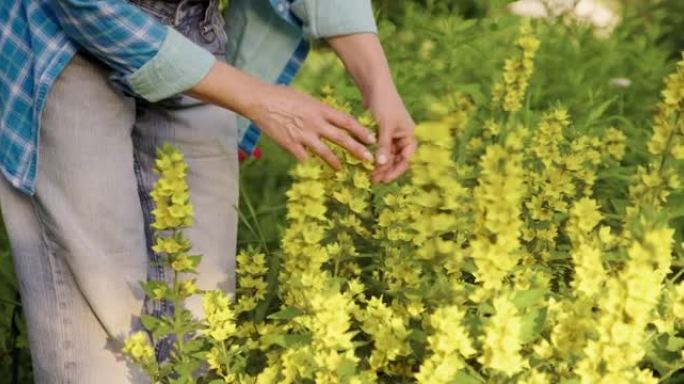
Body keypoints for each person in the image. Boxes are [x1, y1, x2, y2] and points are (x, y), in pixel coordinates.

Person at [0, 0, 416, 382]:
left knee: (203, 326)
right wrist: (258, 99)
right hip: (69, 38)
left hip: (195, 28)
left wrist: (378, 84)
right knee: (104, 339)